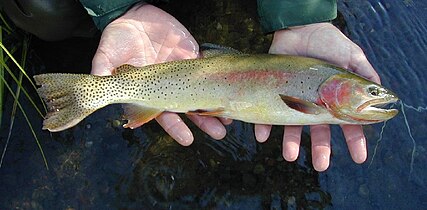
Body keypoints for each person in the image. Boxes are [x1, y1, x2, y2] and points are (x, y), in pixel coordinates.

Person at [3, 0, 381, 171]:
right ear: (340, 87)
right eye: (372, 92)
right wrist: (118, 8)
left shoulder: (319, 89)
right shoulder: (316, 97)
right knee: (45, 9)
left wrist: (301, 14)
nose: (376, 97)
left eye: (372, 93)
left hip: (205, 78)